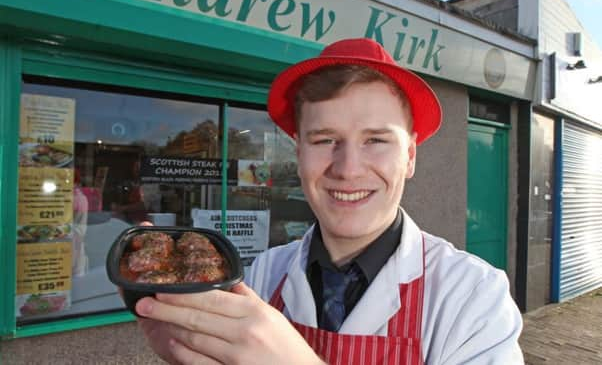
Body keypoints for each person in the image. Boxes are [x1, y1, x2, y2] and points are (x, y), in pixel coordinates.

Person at [134, 38, 524, 364]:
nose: (348, 168)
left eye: (376, 140)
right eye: (324, 140)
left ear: (410, 157)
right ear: (298, 152)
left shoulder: (473, 297)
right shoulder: (264, 273)